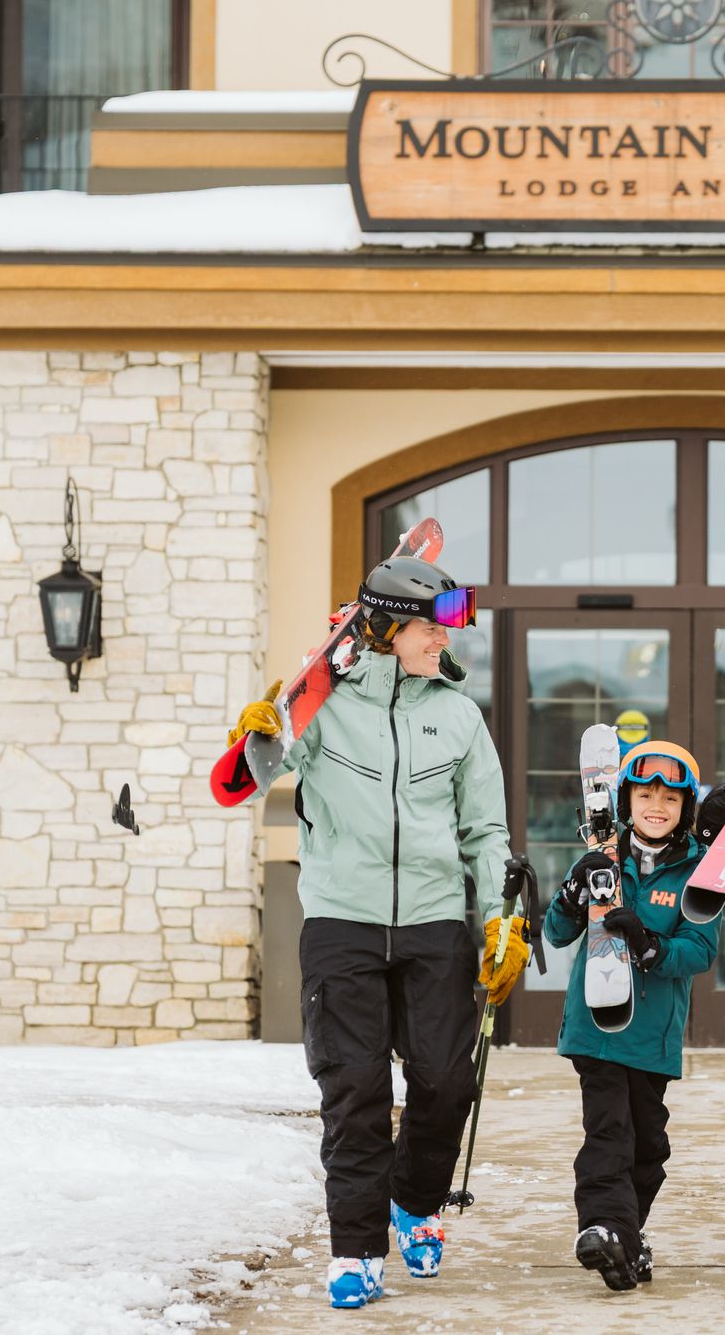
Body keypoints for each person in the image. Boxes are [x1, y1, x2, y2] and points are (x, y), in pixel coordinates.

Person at [227, 554, 529, 1311]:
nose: (443, 642)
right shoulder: (323, 705)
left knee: (444, 1080)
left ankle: (415, 1200)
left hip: (434, 924)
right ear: (391, 630)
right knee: (354, 1090)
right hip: (343, 924)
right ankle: (356, 1250)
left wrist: (498, 918)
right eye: (431, 628)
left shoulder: (457, 713)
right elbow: (246, 780)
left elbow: (486, 830)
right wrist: (260, 727)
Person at [540, 740, 725, 1292]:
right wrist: (570, 890)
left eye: (670, 798)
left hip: (653, 1037)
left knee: (648, 1148)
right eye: (644, 794)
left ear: (686, 809)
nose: (656, 805)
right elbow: (558, 933)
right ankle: (603, 1228)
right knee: (607, 1135)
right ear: (625, 800)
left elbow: (700, 951)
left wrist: (650, 945)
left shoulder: (695, 873)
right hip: (596, 1030)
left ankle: (626, 1244)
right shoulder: (602, 861)